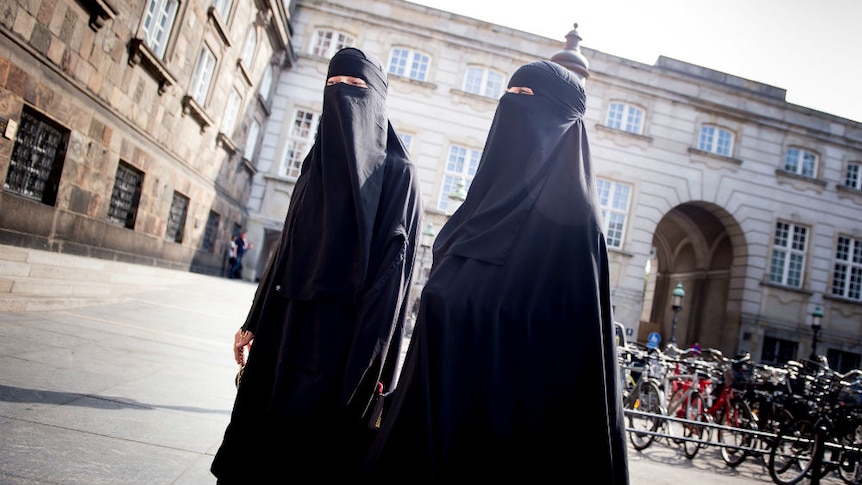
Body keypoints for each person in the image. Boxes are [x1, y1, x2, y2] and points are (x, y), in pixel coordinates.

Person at [360, 60, 630, 483]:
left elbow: (570, 375)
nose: (514, 109)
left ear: (563, 120)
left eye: (529, 99)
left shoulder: (574, 230)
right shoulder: (475, 214)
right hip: (429, 426)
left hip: (499, 447)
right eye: (510, 96)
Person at [211, 47, 423, 482]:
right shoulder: (315, 163)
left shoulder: (399, 174)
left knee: (312, 459)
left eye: (356, 86)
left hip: (342, 344)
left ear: (378, 97)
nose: (342, 95)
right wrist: (253, 320)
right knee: (258, 450)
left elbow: (392, 280)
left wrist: (372, 370)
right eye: (333, 85)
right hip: (282, 331)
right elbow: (287, 245)